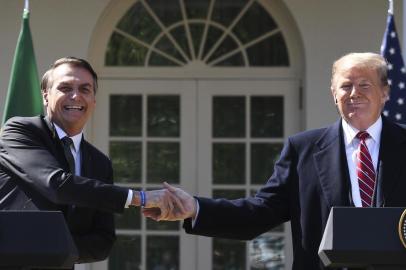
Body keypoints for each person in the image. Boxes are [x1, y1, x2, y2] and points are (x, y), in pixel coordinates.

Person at [143, 52, 406, 270]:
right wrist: (195, 208)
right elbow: (260, 212)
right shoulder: (303, 149)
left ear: (385, 93)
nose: (354, 93)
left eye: (364, 85)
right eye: (346, 85)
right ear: (333, 94)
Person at [0, 57, 183, 267]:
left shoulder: (99, 163)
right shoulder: (20, 131)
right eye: (65, 88)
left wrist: (55, 249)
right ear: (46, 96)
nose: (75, 96)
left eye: (85, 89)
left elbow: (103, 241)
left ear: (93, 100)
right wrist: (138, 198)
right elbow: (57, 185)